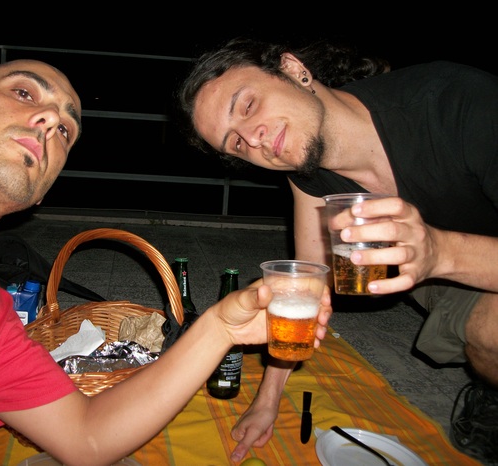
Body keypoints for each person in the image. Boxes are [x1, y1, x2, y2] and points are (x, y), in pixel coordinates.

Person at [0, 59, 275, 466]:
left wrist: (220, 328)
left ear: (42, 191)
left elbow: (87, 438)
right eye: (24, 93)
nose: (51, 120)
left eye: (66, 131)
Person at [177, 36, 498, 464]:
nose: (252, 140)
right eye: (234, 143)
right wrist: (268, 400)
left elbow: (439, 251)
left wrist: (441, 252)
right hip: (433, 267)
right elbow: (303, 291)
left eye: (248, 105)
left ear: (293, 70)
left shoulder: (458, 103)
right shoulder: (307, 175)